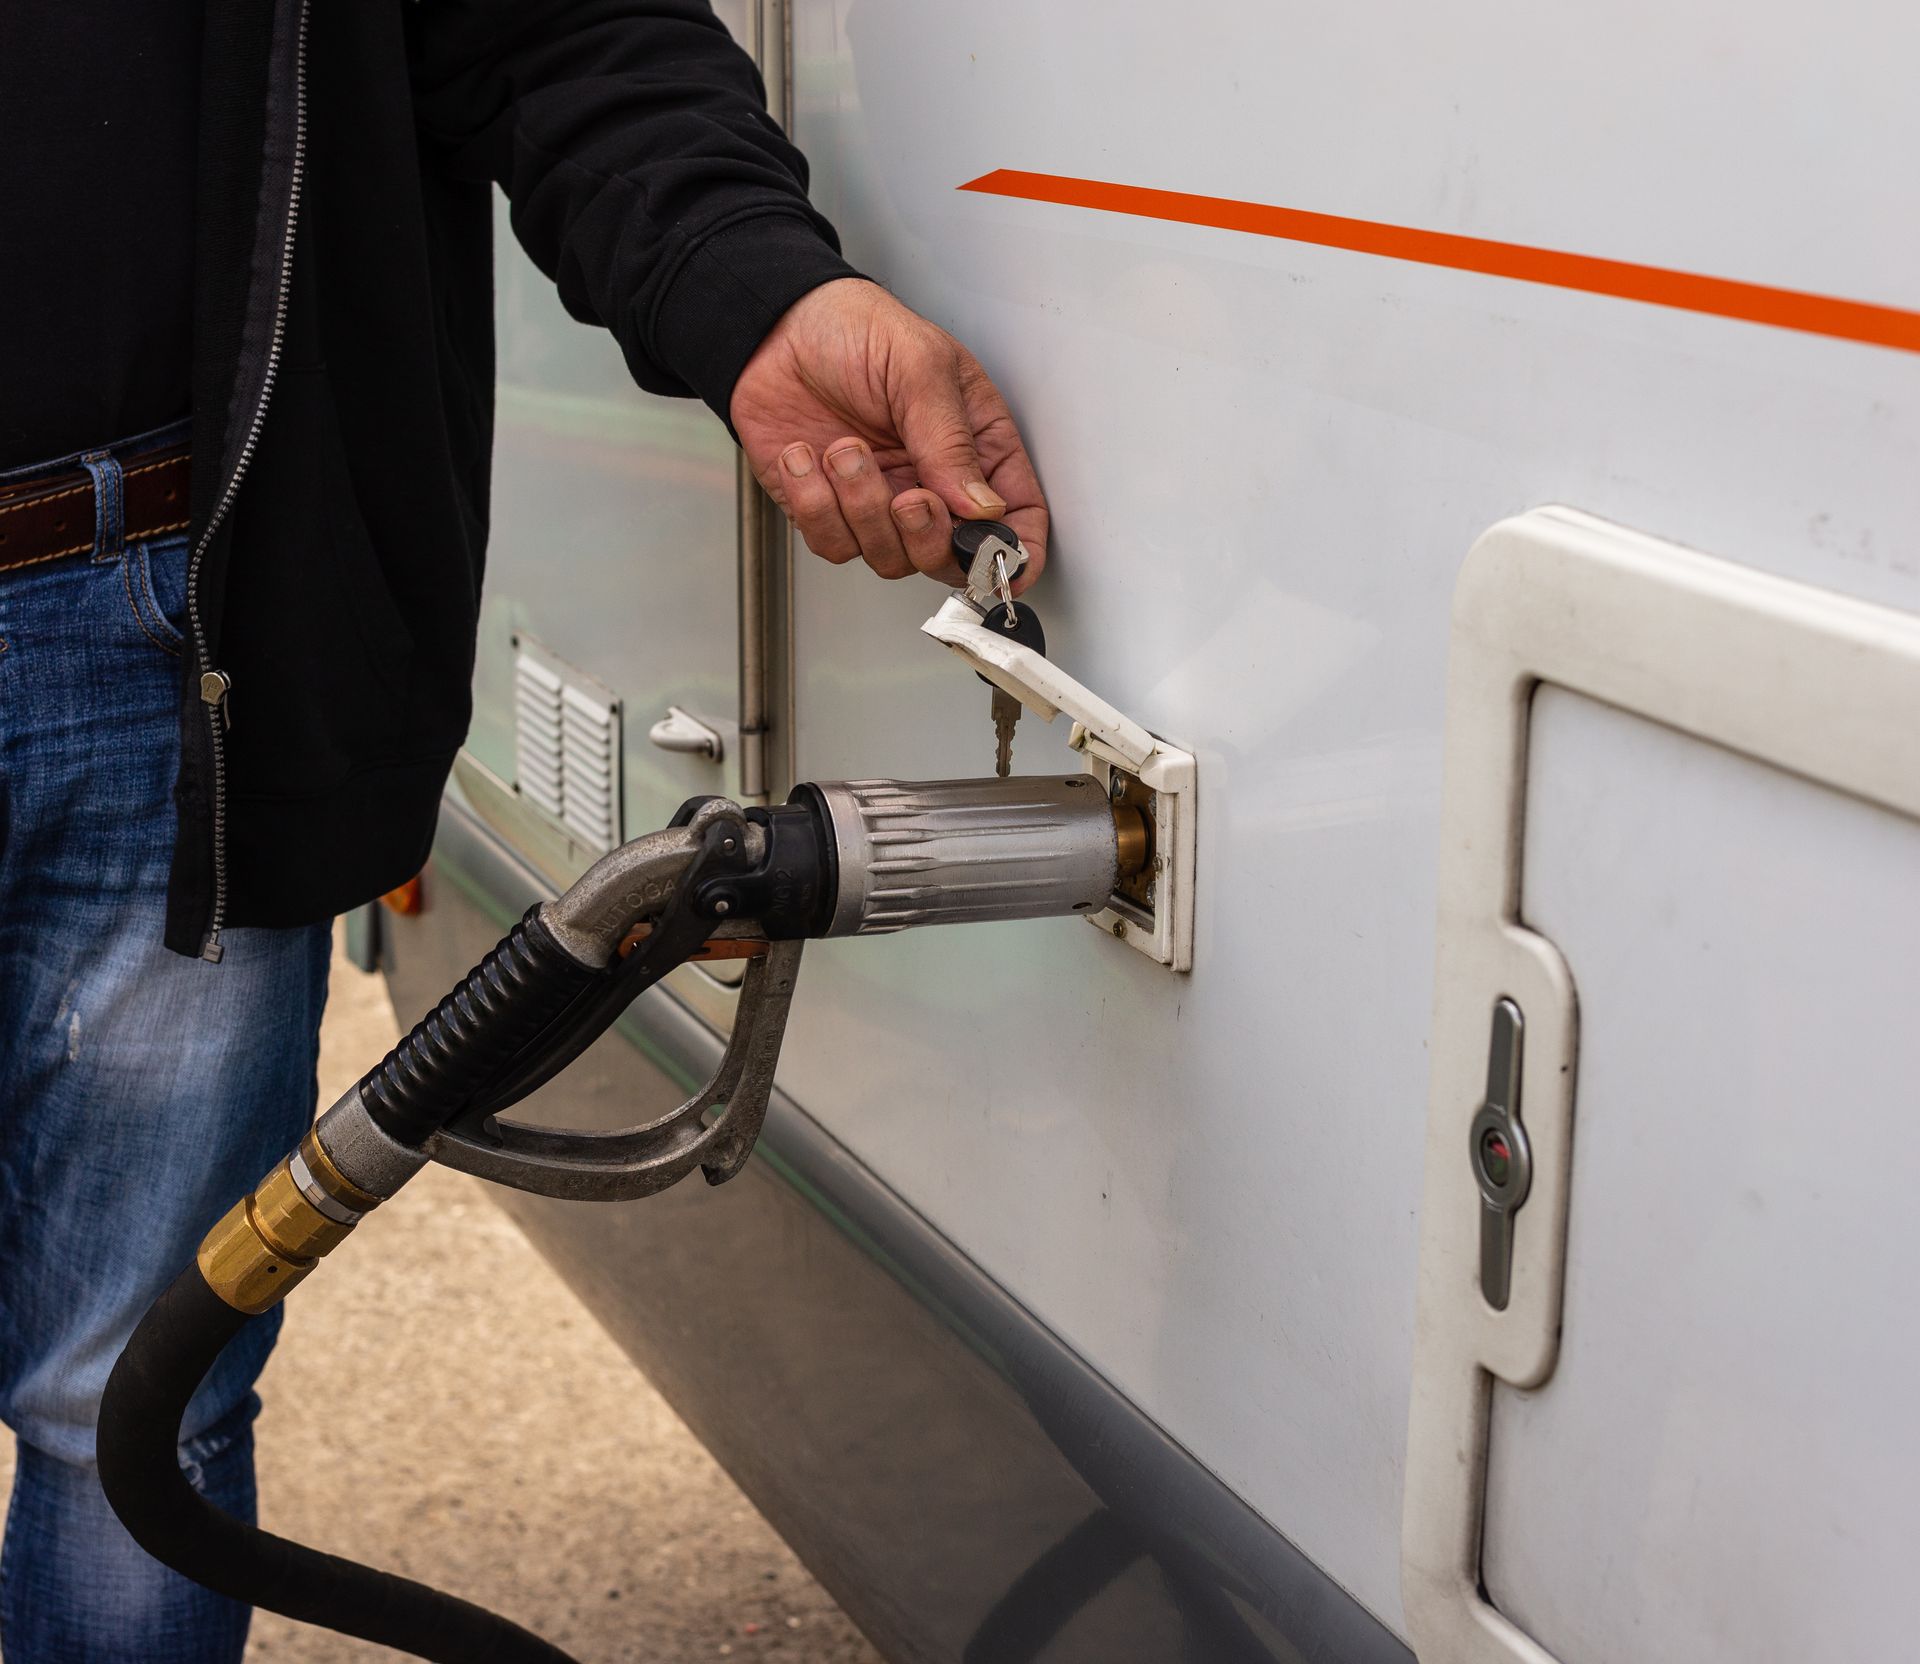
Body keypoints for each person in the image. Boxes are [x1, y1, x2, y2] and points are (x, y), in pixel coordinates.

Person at [0, 3, 1048, 1657]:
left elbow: (553, 30)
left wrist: (752, 288)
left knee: (133, 1410)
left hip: (178, 638)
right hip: (150, 626)